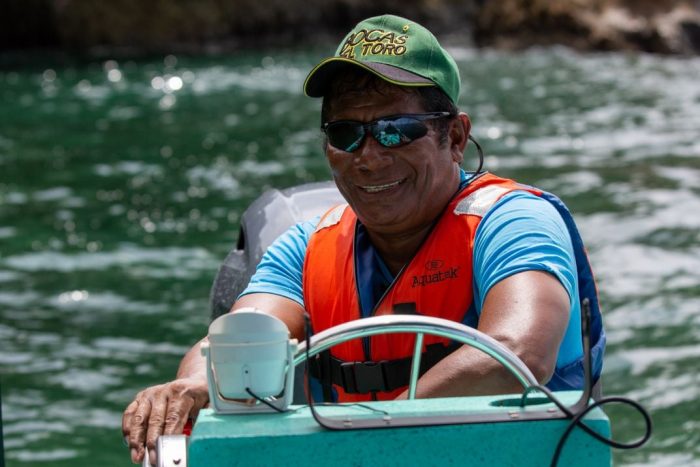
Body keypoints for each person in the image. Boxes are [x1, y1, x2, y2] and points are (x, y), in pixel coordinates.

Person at [122, 14, 606, 464]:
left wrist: (372, 442)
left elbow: (518, 351)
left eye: (396, 131)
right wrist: (188, 387)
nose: (369, 157)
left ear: (455, 137)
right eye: (346, 133)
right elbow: (235, 339)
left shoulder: (514, 221)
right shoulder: (306, 247)